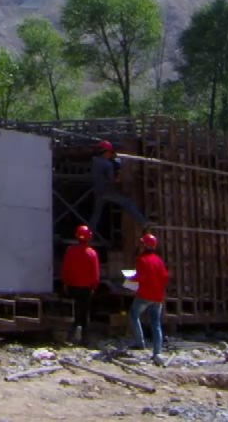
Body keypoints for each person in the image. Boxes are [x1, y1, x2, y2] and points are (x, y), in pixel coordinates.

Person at [90, 140, 148, 242]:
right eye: (109, 152)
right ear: (105, 152)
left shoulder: (94, 161)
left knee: (96, 214)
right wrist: (120, 174)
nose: (110, 154)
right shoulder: (108, 165)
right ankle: (143, 222)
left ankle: (89, 234)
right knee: (128, 203)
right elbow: (113, 181)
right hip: (107, 191)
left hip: (98, 191)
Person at [128, 232, 169, 365]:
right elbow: (164, 277)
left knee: (134, 315)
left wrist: (129, 279)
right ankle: (157, 352)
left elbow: (140, 277)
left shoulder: (141, 260)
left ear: (145, 245)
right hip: (158, 297)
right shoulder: (159, 260)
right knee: (156, 324)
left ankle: (140, 343)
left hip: (144, 295)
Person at [60, 224, 100, 344]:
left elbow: (65, 269)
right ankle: (85, 338)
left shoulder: (70, 251)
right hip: (86, 288)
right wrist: (94, 286)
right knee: (84, 312)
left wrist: (65, 283)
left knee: (73, 311)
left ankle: (70, 336)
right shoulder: (92, 254)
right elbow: (95, 273)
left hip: (72, 286)